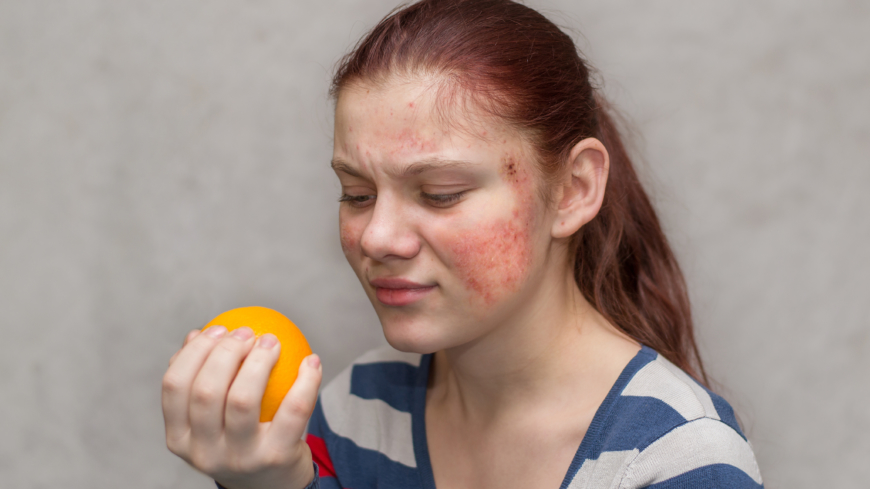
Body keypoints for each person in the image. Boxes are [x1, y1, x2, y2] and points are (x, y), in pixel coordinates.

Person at [162, 0, 764, 487]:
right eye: (357, 193)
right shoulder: (356, 412)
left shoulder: (677, 461)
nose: (377, 238)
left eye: (440, 192)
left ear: (575, 189)